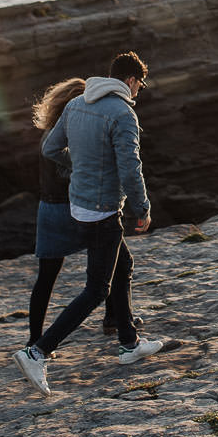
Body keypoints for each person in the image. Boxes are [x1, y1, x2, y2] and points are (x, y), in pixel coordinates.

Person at [13, 51, 164, 396]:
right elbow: (130, 168)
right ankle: (36, 353)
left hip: (79, 206)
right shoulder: (122, 113)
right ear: (130, 80)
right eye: (139, 84)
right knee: (97, 290)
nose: (139, 91)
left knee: (123, 264)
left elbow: (51, 148)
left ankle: (129, 343)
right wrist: (142, 207)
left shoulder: (77, 104)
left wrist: (79, 167)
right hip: (102, 211)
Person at [25, 78, 141, 349]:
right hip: (78, 208)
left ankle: (34, 338)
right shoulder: (72, 134)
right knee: (117, 263)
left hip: (49, 210)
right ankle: (114, 320)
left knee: (46, 277)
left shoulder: (50, 133)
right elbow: (77, 173)